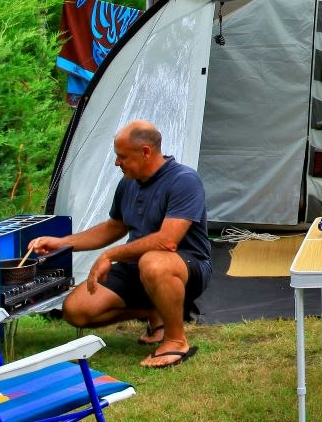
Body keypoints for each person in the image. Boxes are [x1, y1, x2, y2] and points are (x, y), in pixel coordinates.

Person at [30, 119, 211, 369]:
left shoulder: (184, 180)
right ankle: (152, 311)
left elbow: (168, 241)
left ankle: (175, 340)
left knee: (153, 261)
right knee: (76, 310)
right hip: (138, 268)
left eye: (122, 156)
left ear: (146, 152)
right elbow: (114, 227)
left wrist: (110, 255)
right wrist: (62, 243)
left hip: (186, 266)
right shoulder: (128, 182)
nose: (117, 162)